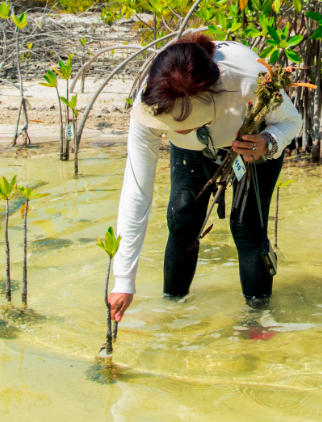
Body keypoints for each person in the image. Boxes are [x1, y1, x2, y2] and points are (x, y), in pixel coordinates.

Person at [107, 33, 302, 324]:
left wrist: (267, 142)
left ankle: (258, 322)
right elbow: (137, 191)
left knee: (247, 228)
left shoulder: (248, 78)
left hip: (249, 143)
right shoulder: (154, 96)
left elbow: (291, 121)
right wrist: (123, 280)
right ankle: (174, 315)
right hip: (194, 152)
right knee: (182, 220)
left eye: (182, 120)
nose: (172, 127)